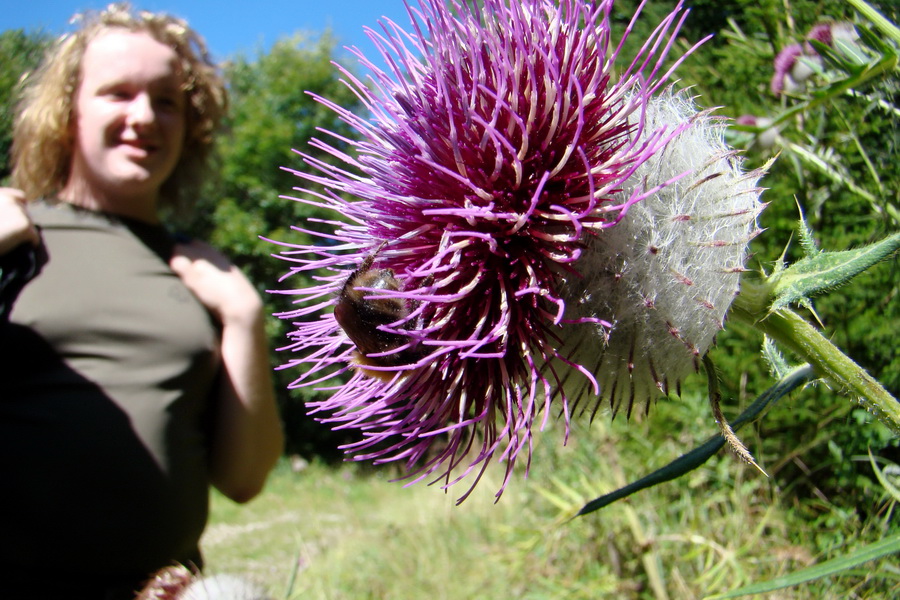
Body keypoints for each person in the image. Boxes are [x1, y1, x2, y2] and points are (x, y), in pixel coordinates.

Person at [0, 4, 284, 598]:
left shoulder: (204, 271)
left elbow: (244, 479)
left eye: (166, 100)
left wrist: (243, 317)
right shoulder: (14, 229)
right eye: (118, 93)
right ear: (69, 109)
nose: (144, 116)